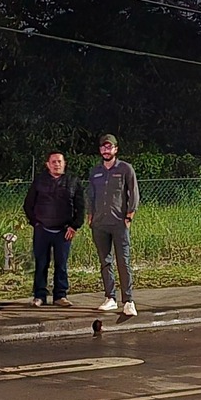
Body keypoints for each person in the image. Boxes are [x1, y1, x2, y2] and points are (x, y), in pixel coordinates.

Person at [22, 149, 84, 306]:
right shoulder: (39, 181)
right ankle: (39, 296)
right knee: (41, 263)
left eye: (60, 161)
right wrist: (35, 223)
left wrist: (74, 226)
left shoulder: (73, 181)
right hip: (42, 230)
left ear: (64, 164)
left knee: (61, 264)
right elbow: (28, 204)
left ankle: (60, 296)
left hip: (64, 231)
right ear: (47, 165)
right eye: (54, 162)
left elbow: (80, 206)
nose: (57, 164)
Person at [87, 134, 140, 318]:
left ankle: (128, 301)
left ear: (115, 149)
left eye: (109, 147)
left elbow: (133, 193)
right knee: (105, 261)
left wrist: (129, 216)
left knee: (123, 262)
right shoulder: (95, 171)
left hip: (119, 223)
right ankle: (110, 297)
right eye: (103, 147)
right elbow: (91, 195)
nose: (106, 150)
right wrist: (90, 216)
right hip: (100, 224)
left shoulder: (125, 169)